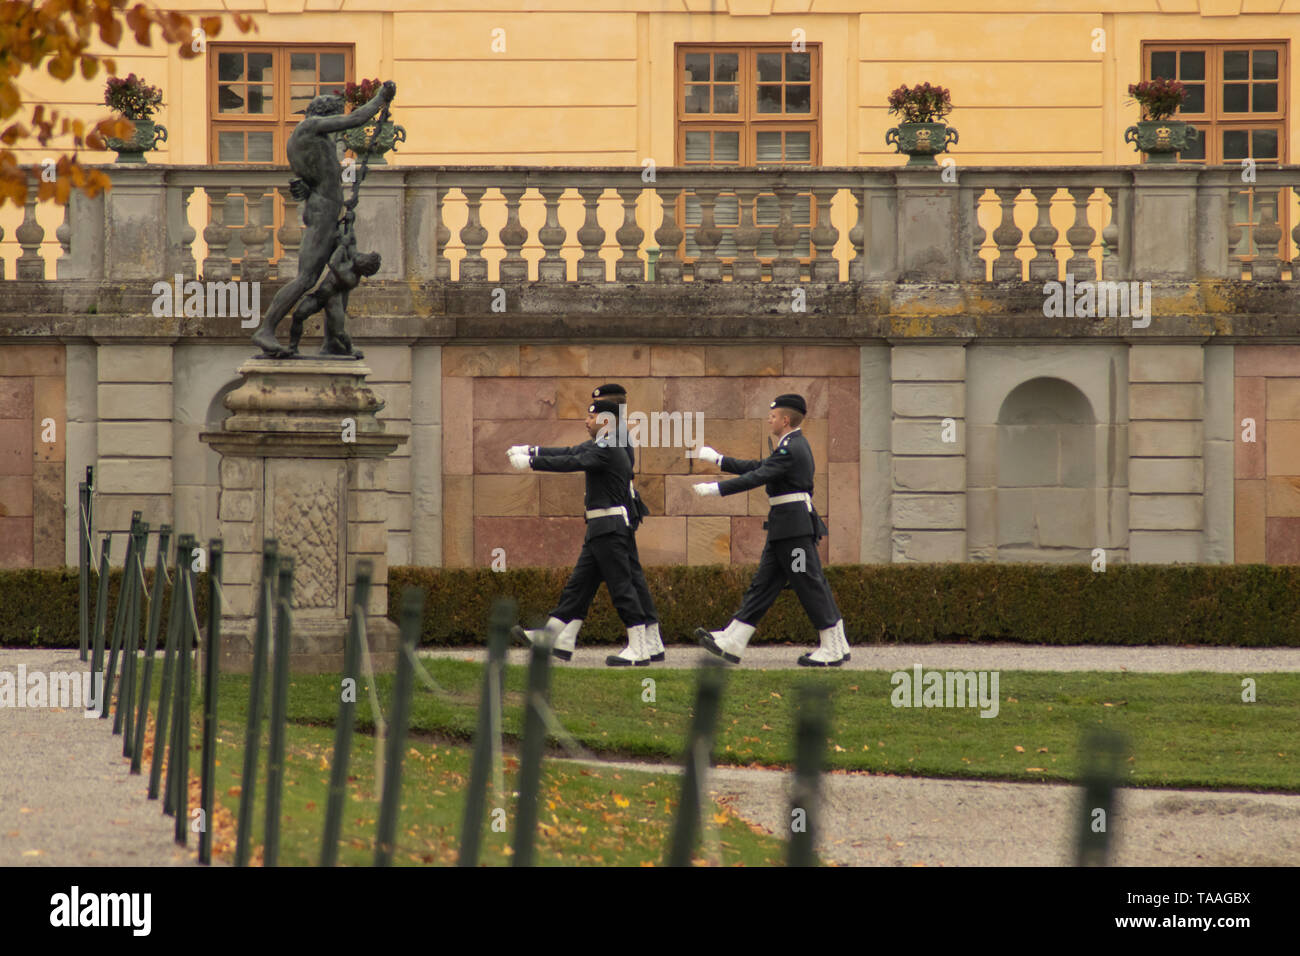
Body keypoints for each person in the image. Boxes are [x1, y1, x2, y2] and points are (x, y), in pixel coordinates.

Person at [691, 393, 850, 667]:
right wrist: (719, 460)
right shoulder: (790, 446)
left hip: (794, 530)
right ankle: (734, 640)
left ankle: (833, 646)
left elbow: (759, 476)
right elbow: (759, 466)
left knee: (808, 582)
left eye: (773, 416)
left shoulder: (792, 448)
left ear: (785, 420)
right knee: (763, 585)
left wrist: (717, 489)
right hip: (785, 529)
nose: (769, 420)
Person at [250, 80, 395, 358]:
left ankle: (333, 341)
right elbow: (355, 119)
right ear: (325, 114)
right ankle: (266, 329)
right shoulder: (309, 127)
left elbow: (312, 177)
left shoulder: (312, 139)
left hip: (327, 210)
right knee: (306, 278)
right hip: (322, 212)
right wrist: (380, 99)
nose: (337, 123)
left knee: (338, 279)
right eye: (336, 115)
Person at [506, 399, 652, 665]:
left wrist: (531, 462)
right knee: (578, 588)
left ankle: (640, 648)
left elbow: (572, 461)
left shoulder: (608, 446)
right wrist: (531, 449)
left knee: (621, 588)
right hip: (600, 530)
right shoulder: (604, 444)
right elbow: (569, 451)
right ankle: (551, 637)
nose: (586, 421)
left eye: (591, 416)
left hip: (609, 529)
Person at [286, 208, 381, 358]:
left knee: (339, 332)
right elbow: (351, 241)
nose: (359, 256)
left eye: (363, 258)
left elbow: (333, 263)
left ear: (363, 268)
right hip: (320, 295)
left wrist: (342, 245)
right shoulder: (352, 260)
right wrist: (350, 222)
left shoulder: (351, 278)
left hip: (332, 301)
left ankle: (349, 348)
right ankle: (292, 347)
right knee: (298, 315)